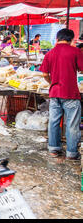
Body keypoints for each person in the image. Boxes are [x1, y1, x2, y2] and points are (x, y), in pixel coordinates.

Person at [39, 29, 83, 161]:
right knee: (72, 124)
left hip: (54, 93)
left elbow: (45, 74)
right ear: (71, 39)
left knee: (54, 122)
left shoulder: (50, 53)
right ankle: (71, 153)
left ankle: (53, 149)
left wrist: (52, 83)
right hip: (70, 93)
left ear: (57, 38)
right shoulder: (75, 51)